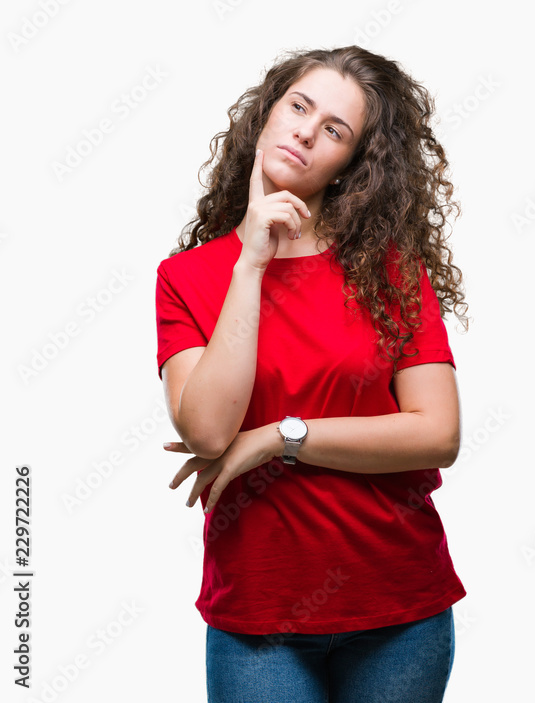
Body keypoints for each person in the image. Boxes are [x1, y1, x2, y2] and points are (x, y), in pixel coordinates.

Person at [154, 45, 469, 703]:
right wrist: (251, 264)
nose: (305, 131)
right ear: (266, 114)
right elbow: (210, 431)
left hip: (399, 611)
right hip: (259, 620)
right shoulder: (187, 278)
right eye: (299, 106)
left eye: (335, 130)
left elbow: (438, 433)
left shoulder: (390, 271)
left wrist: (278, 436)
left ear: (350, 164)